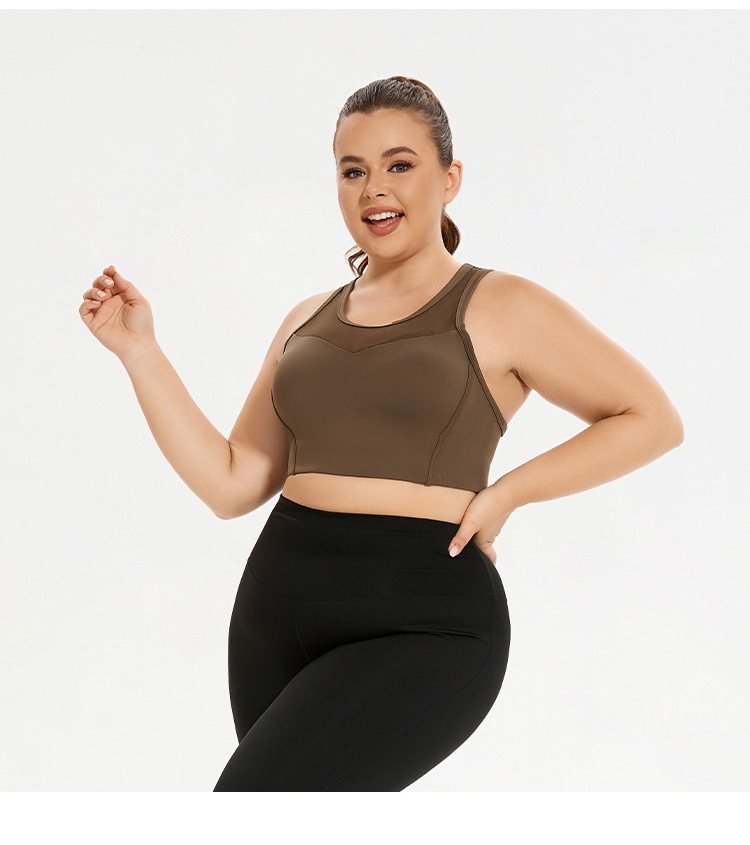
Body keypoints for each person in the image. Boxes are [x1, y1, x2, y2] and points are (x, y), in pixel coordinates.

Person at [78, 76, 684, 792]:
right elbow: (232, 483)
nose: (375, 190)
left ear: (450, 179)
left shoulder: (502, 304)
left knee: (251, 803)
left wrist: (507, 494)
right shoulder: (307, 318)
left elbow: (650, 418)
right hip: (278, 609)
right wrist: (140, 353)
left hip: (425, 616)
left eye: (400, 164)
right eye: (353, 171)